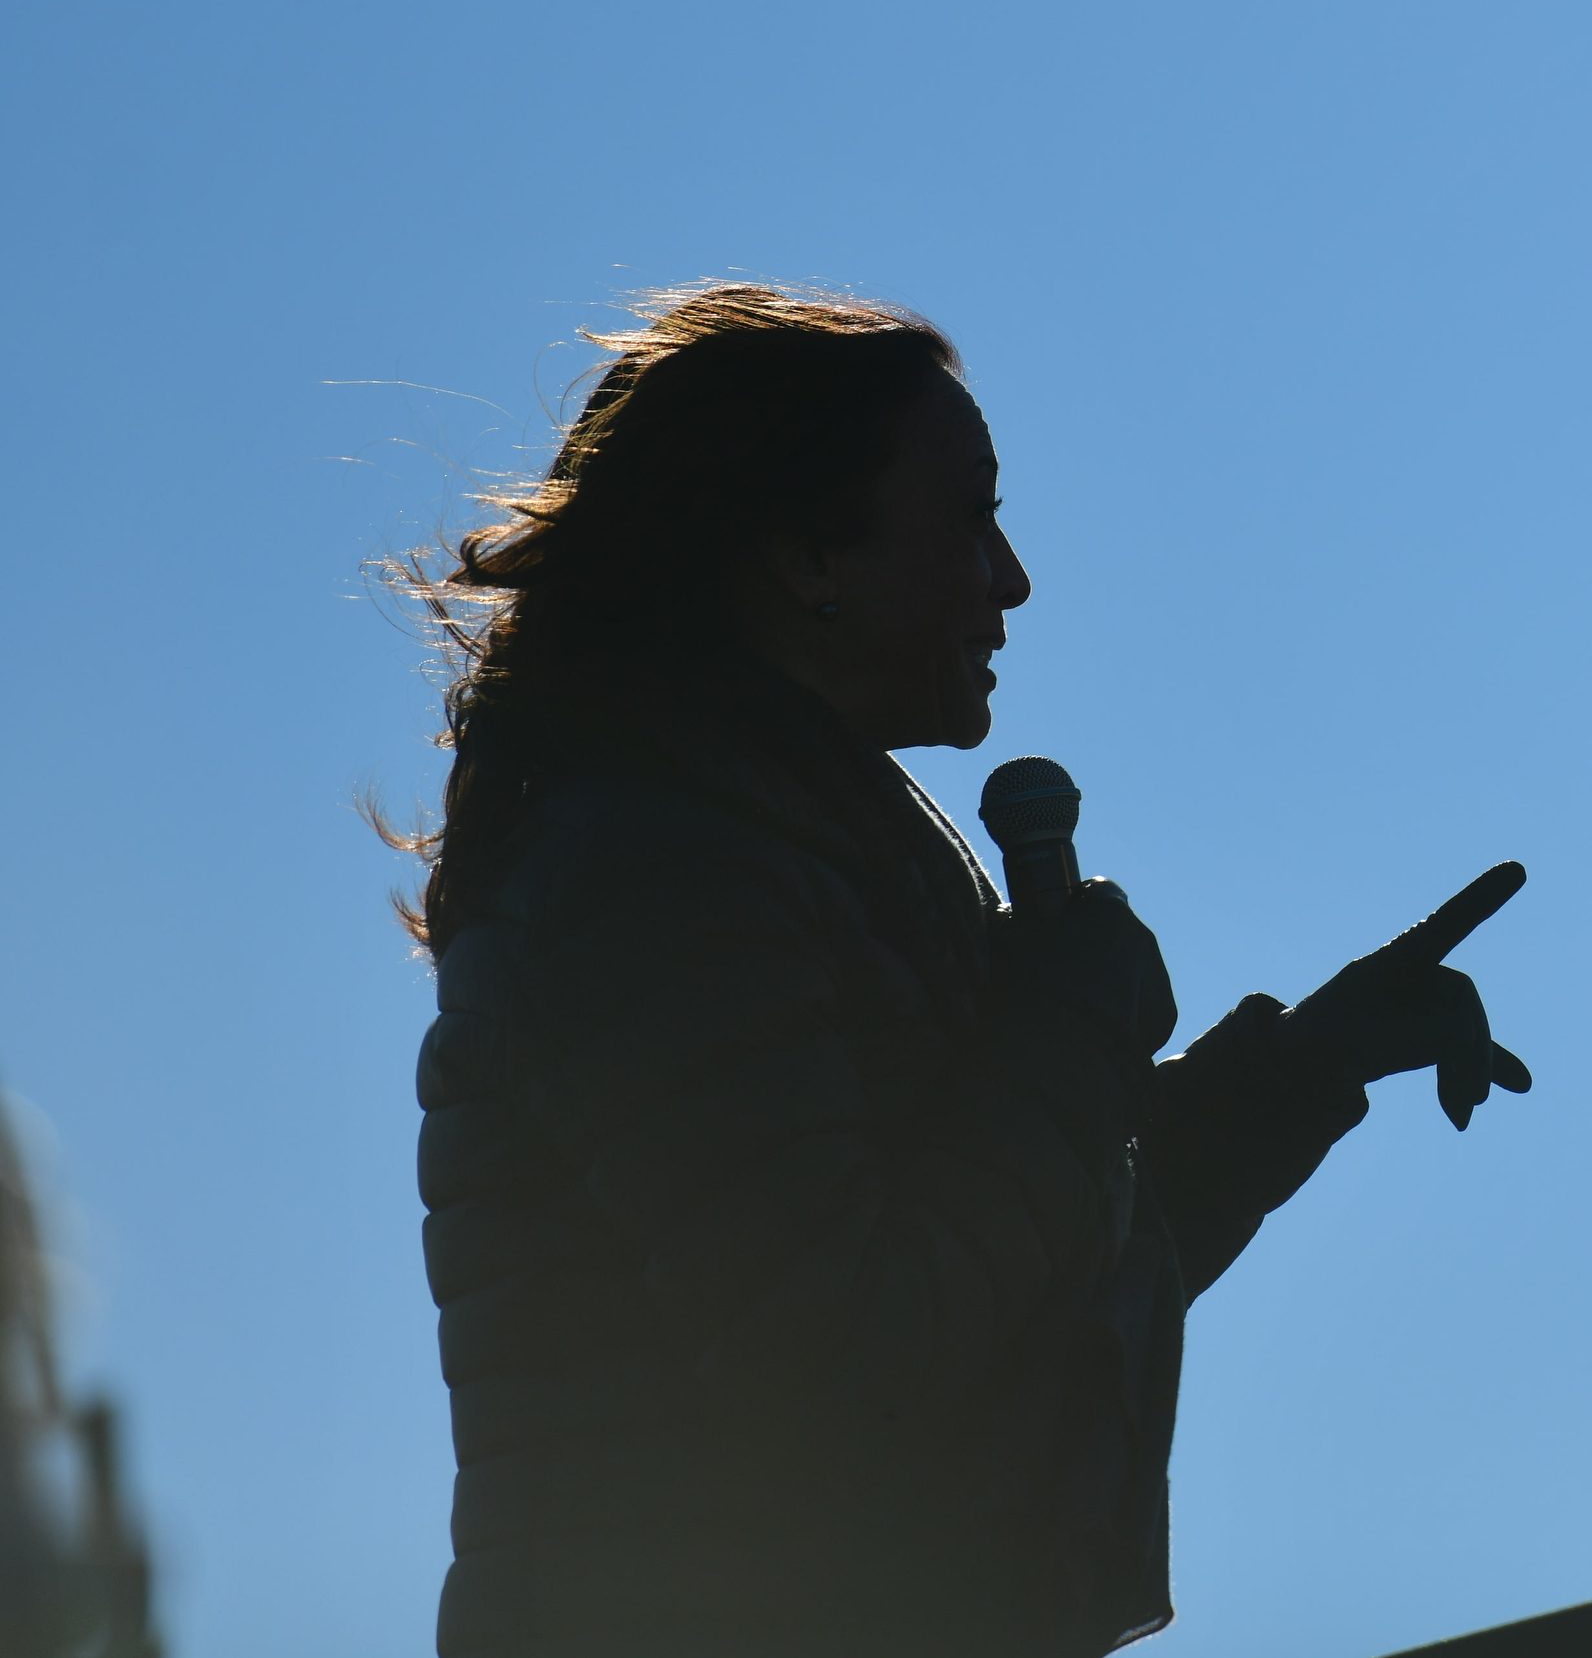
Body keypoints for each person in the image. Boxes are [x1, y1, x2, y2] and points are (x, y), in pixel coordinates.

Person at [387, 284, 1530, 1658]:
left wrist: (1304, 1068)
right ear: (810, 553)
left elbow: (998, 1261)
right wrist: (1067, 1016)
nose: (1012, 578)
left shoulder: (783, 847)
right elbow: (853, 1348)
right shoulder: (649, 875)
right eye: (972, 514)